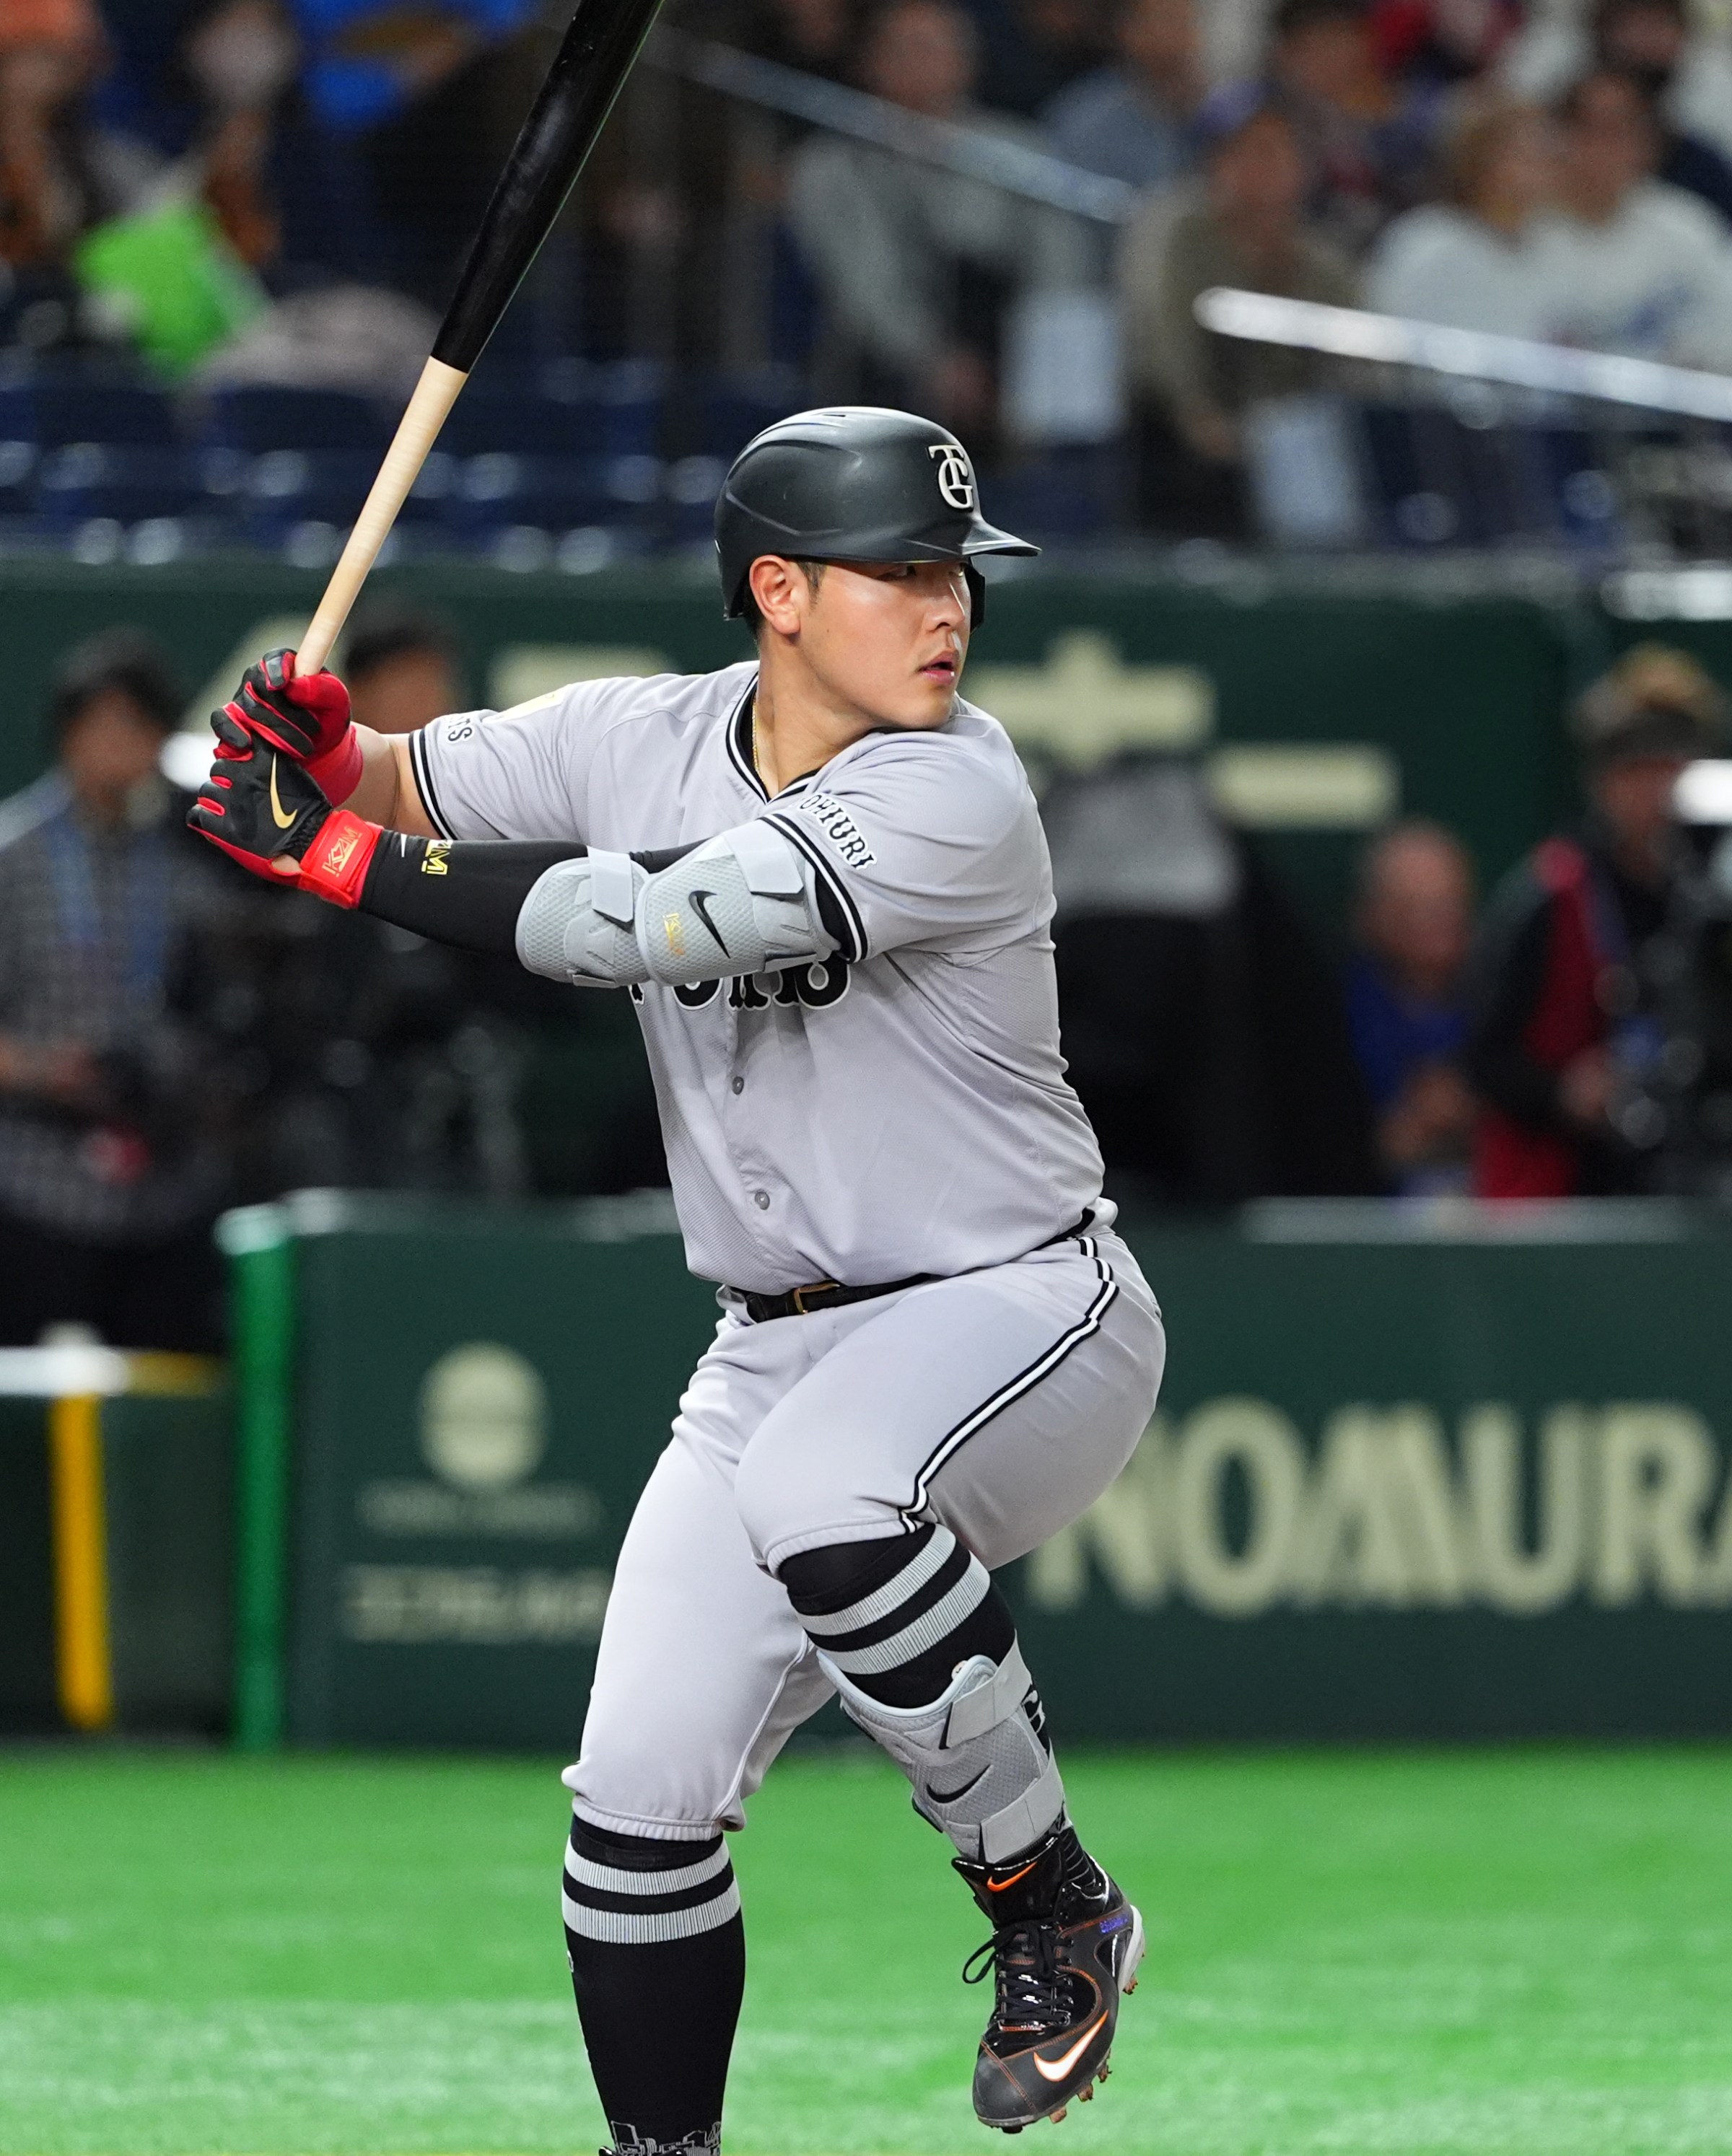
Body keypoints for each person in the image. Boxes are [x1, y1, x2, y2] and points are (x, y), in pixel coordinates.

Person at [186, 408, 1165, 2151]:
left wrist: (323, 852)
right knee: (634, 1794)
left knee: (823, 1488)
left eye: (957, 570)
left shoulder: (953, 780)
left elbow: (637, 925)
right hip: (769, 1343)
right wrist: (315, 756)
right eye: (901, 571)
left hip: (1016, 1306)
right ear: (776, 590)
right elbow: (402, 783)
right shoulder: (629, 732)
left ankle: (1048, 1900)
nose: (947, 605)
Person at [0, 631, 229, 1350]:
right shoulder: (15, 859)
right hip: (33, 1182)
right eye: (102, 725)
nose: (119, 747)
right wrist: (47, 1072)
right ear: (68, 734)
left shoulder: (191, 864)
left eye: (139, 729)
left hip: (164, 1190)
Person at [1466, 644, 1725, 1199]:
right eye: (1638, 771)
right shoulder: (1550, 899)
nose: (1656, 792)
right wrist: (1564, 1091)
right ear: (1604, 781)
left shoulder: (1715, 896)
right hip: (1571, 1195)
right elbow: (1483, 1059)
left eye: (1672, 769)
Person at [786, 0, 1093, 434]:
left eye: (935, 48)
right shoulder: (831, 166)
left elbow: (1061, 263)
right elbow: (863, 284)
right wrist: (931, 359)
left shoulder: (1020, 151)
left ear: (968, 62)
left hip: (1014, 358)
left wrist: (1033, 364)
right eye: (906, 48)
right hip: (883, 373)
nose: (921, 62)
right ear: (872, 62)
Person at [1119, 84, 1357, 533]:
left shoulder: (1322, 261)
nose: (1260, 168)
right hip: (1184, 449)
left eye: (1275, 152)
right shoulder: (1178, 233)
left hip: (1296, 449)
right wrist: (1204, 421)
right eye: (1241, 152)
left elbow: (1357, 369)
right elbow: (1164, 350)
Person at [1526, 68, 1732, 366]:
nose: (1608, 148)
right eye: (1594, 129)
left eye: (1624, 131)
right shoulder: (1519, 232)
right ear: (1558, 136)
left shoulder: (1690, 228)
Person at [1344, 820, 1477, 1193]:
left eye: (1450, 904)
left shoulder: (1502, 1001)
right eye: (1415, 907)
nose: (1438, 923)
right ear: (1371, 915)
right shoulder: (1332, 1014)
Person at [1365, 97, 1558, 334]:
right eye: (1526, 156)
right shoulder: (1428, 241)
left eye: (1547, 155)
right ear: (1480, 160)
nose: (1543, 168)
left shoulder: (1554, 249)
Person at [1267, 0, 1442, 257]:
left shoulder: (1399, 127)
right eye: (1322, 43)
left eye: (1347, 40)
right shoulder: (1261, 121)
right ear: (1286, 52)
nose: (1336, 57)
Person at [1591, 0, 1732, 224]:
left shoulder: (1704, 161)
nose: (1645, 42)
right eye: (1634, 25)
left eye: (1658, 25)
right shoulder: (1566, 101)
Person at [1042, 0, 1204, 193]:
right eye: (1170, 20)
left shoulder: (1214, 117)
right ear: (1129, 31)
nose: (1187, 37)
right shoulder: (1088, 120)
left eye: (1190, 22)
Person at [341, 601, 464, 736]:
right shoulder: (326, 754)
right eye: (416, 695)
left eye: (438, 689)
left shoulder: (462, 751)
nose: (433, 708)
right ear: (357, 695)